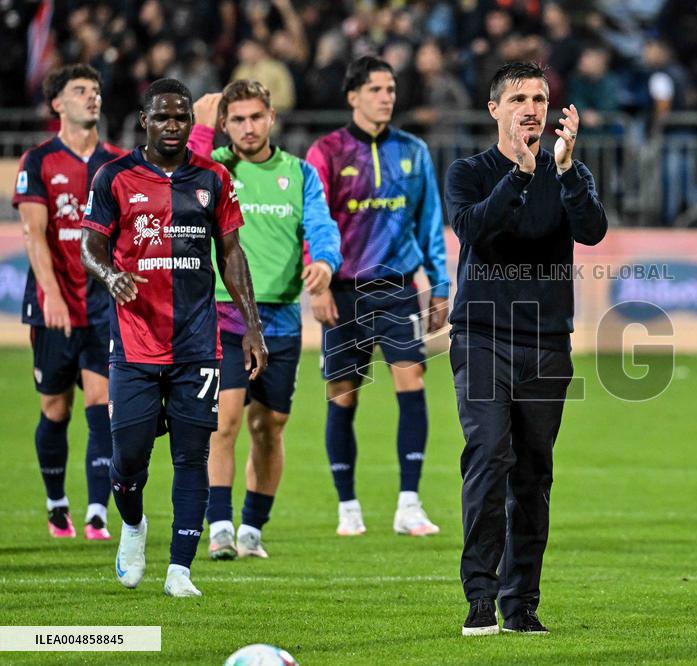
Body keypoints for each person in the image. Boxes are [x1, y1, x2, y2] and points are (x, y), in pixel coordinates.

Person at [80, 78, 267, 597]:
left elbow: (231, 254)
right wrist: (110, 274)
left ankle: (180, 569)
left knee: (192, 455)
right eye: (162, 117)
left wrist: (250, 325)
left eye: (181, 117)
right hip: (135, 345)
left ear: (192, 122)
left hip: (197, 344)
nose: (172, 125)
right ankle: (134, 525)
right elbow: (89, 246)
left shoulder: (213, 176)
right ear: (145, 120)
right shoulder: (114, 176)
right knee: (129, 458)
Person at [444, 62, 607, 636]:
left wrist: (562, 173)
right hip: (482, 335)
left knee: (534, 474)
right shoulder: (469, 171)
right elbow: (476, 230)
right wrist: (518, 174)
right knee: (489, 457)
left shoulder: (568, 172)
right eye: (518, 98)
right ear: (495, 110)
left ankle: (521, 605)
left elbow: (592, 231)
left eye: (540, 97)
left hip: (545, 342)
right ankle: (480, 597)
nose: (531, 107)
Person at [187, 80, 342, 560]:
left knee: (269, 426)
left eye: (256, 117)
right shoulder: (212, 170)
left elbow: (320, 225)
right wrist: (197, 131)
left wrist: (325, 261)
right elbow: (168, 186)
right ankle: (219, 529)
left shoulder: (299, 174)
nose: (248, 128)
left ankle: (252, 527)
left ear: (272, 118)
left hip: (279, 317)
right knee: (224, 422)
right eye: (237, 119)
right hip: (223, 313)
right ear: (224, 124)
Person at [305, 56, 450, 538]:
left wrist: (439, 287)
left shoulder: (413, 151)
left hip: (398, 290)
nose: (387, 96)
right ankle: (348, 507)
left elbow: (430, 223)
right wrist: (319, 285)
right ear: (353, 96)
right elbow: (313, 222)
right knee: (343, 397)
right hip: (344, 291)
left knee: (412, 384)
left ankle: (409, 503)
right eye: (376, 89)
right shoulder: (326, 152)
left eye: (391, 88)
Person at [13, 64, 127, 541]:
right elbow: (34, 235)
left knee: (102, 403)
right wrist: (54, 296)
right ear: (57, 103)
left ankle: (97, 511)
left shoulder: (120, 163)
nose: (92, 97)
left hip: (105, 309)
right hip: (52, 308)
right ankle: (57, 503)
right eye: (80, 90)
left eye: (96, 90)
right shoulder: (37, 161)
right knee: (55, 409)